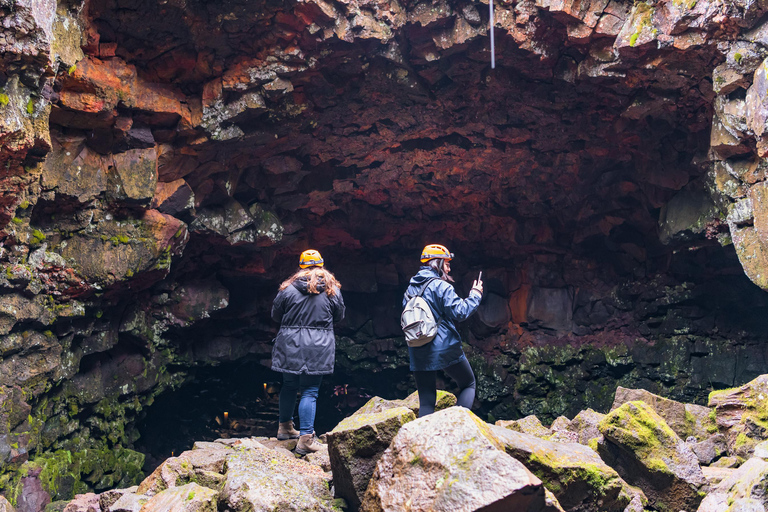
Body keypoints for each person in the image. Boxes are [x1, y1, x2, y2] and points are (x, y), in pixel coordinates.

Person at [271, 249, 345, 454]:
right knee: (310, 391)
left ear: (301, 267)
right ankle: (305, 439)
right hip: (318, 346)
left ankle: (285, 427)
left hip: (290, 344)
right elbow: (339, 316)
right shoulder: (331, 290)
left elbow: (275, 315)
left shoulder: (287, 289)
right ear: (321, 266)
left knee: (289, 384)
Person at [403, 244, 483, 417]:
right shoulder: (440, 286)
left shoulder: (410, 288)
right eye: (446, 263)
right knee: (468, 383)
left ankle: (423, 441)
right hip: (444, 347)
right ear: (436, 263)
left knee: (426, 401)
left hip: (417, 346)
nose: (449, 267)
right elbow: (460, 312)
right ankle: (457, 426)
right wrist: (475, 294)